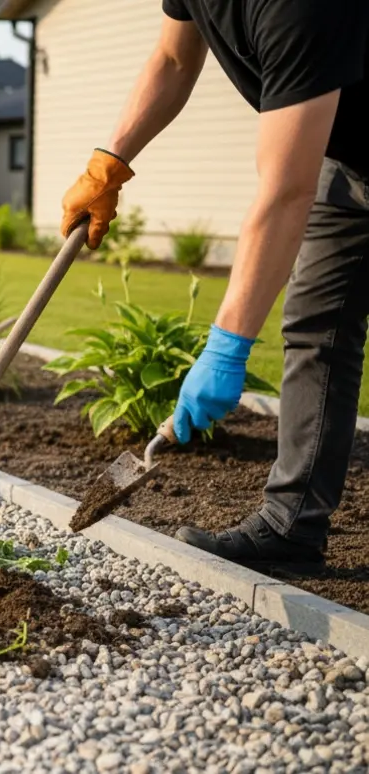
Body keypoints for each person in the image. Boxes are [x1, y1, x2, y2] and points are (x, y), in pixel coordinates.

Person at [60, 1, 368, 575]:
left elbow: (283, 193)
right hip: (350, 163)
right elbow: (174, 59)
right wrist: (110, 162)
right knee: (316, 328)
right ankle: (291, 528)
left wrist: (227, 347)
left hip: (325, 164)